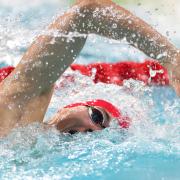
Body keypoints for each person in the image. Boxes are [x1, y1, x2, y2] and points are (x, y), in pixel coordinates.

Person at [0, 0, 179, 136]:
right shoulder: (16, 112)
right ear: (67, 107)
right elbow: (86, 13)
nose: (89, 131)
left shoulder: (26, 143)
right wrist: (171, 58)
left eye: (95, 136)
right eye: (97, 117)